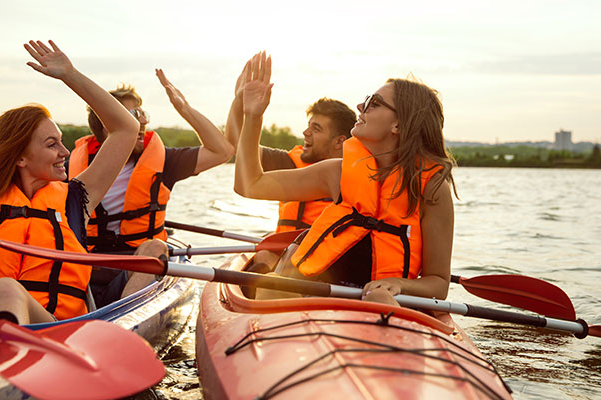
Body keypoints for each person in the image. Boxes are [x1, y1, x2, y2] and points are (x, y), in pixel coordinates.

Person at [234, 54, 457, 305]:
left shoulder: (432, 189)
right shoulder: (337, 172)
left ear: (398, 125)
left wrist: (398, 284)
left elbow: (438, 283)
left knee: (380, 299)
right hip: (305, 295)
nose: (360, 107)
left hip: (377, 301)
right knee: (274, 283)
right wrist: (253, 116)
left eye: (374, 102)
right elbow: (249, 185)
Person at [0, 40, 140, 324]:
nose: (65, 153)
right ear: (20, 157)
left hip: (56, 332)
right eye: (51, 144)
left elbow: (125, 128)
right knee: (5, 290)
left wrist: (70, 75)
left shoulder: (75, 199)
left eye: (62, 142)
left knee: (7, 289)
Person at [68, 69, 235, 307]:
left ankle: (122, 322)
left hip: (138, 264)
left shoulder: (164, 162)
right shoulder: (71, 168)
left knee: (156, 246)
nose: (143, 120)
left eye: (143, 113)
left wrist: (184, 108)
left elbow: (223, 151)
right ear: (107, 122)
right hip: (84, 264)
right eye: (132, 114)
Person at [226, 53, 356, 269]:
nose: (305, 133)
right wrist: (240, 103)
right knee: (266, 255)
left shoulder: (357, 176)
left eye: (316, 129)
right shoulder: (289, 163)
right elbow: (237, 144)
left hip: (329, 265)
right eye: (309, 125)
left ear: (339, 141)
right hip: (286, 255)